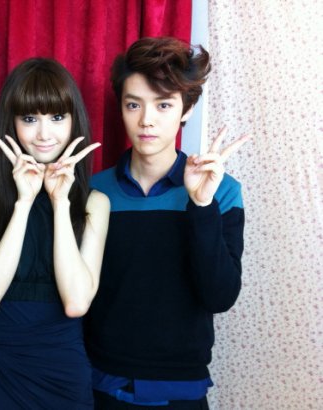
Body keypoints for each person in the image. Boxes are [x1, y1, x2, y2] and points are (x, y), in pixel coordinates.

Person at [83, 37, 250, 409]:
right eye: (133, 105)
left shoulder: (222, 191)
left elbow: (220, 296)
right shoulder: (94, 191)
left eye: (163, 105)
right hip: (100, 384)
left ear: (186, 109)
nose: (146, 120)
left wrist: (201, 205)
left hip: (181, 389)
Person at [0, 58, 110, 409]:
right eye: (30, 119)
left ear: (74, 121)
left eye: (57, 117)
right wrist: (23, 202)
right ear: (12, 122)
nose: (44, 134)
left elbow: (76, 302)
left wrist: (60, 202)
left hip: (61, 378)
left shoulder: (95, 203)